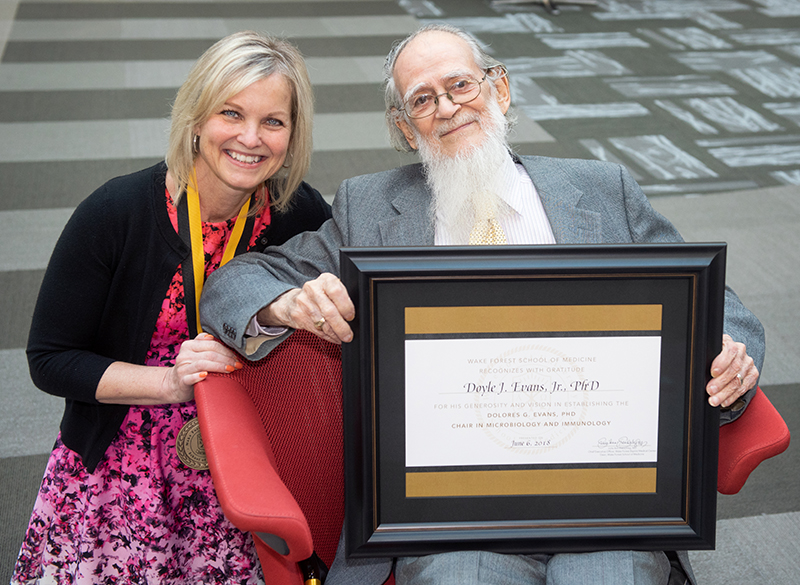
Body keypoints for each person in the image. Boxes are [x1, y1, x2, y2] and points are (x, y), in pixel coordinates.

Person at [199, 24, 764, 585]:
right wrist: (287, 304)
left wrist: (729, 354)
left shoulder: (600, 190)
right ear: (404, 126)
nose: (447, 108)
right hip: (451, 513)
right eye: (423, 99)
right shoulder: (369, 209)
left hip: (602, 497)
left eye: (461, 85)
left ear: (501, 89)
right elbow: (237, 281)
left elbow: (716, 301)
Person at [12, 31, 331, 584]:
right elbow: (50, 358)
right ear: (196, 118)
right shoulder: (116, 212)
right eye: (231, 113)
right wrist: (169, 385)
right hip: (127, 456)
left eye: (273, 122)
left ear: (293, 134)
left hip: (249, 455)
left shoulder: (298, 211)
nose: (250, 139)